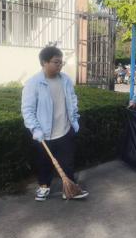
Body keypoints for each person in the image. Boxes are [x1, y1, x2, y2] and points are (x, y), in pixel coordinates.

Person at [21, 46, 89, 202]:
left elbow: (72, 100)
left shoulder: (65, 80)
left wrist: (74, 119)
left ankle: (70, 189)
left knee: (67, 163)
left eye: (61, 62)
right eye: (56, 62)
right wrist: (35, 129)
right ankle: (44, 187)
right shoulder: (33, 83)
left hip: (64, 130)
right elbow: (28, 110)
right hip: (43, 134)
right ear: (44, 62)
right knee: (44, 163)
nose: (60, 65)